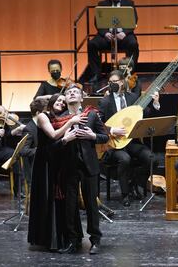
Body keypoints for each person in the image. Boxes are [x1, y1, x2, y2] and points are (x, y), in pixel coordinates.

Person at [54, 85, 109, 255]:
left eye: (75, 92)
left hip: (88, 165)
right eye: (68, 92)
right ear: (65, 98)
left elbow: (104, 137)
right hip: (69, 166)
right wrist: (65, 139)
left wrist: (93, 136)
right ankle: (74, 240)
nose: (71, 93)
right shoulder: (59, 118)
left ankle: (95, 240)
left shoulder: (91, 115)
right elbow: (53, 145)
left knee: (91, 204)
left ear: (82, 97)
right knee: (70, 205)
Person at [28, 93, 86, 251]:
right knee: (49, 200)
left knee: (63, 202)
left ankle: (68, 237)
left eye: (63, 101)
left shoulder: (62, 117)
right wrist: (70, 124)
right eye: (58, 100)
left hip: (60, 162)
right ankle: (51, 240)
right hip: (46, 163)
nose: (61, 102)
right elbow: (53, 136)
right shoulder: (43, 116)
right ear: (51, 102)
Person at [98, 70, 159, 207]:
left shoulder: (132, 98)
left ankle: (134, 181)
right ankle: (125, 194)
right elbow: (98, 124)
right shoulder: (105, 102)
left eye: (115, 82)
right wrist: (112, 130)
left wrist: (155, 103)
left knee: (152, 160)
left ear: (122, 82)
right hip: (114, 143)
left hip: (131, 141)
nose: (112, 84)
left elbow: (146, 115)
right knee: (125, 159)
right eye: (110, 82)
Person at [88, 0, 139, 85]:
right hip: (107, 36)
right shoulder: (102, 4)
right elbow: (97, 22)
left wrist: (124, 33)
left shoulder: (129, 3)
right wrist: (105, 33)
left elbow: (134, 20)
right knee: (92, 44)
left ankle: (129, 72)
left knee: (133, 44)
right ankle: (96, 73)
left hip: (124, 36)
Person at [20, 98, 47, 184]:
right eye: (46, 112)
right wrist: (41, 150)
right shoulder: (29, 128)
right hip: (35, 166)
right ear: (38, 113)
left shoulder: (44, 125)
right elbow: (23, 150)